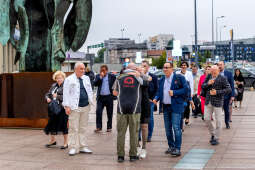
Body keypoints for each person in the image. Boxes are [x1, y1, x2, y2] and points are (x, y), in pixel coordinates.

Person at [153, 62, 188, 157]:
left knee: (176, 128)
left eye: (167, 67)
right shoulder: (162, 79)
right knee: (168, 129)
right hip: (165, 107)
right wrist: (156, 98)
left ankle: (177, 148)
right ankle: (171, 146)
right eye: (164, 67)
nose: (165, 69)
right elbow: (160, 92)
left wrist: (175, 92)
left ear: (172, 68)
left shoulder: (179, 78)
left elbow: (186, 90)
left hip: (176, 106)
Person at [113, 63, 143, 163]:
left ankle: (120, 156)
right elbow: (148, 80)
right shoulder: (138, 77)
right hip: (135, 108)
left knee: (121, 133)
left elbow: (114, 93)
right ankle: (133, 155)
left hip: (121, 109)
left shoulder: (119, 77)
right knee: (134, 133)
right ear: (133, 69)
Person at [63, 62, 94, 156]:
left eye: (84, 69)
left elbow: (89, 90)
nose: (83, 70)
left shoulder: (86, 78)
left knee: (83, 128)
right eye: (81, 69)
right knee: (73, 128)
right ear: (75, 69)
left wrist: (91, 100)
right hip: (74, 107)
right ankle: (72, 147)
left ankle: (82, 146)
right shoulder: (69, 79)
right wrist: (66, 106)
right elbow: (66, 93)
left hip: (85, 106)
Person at [202, 65, 231, 145]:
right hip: (208, 101)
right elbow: (203, 86)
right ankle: (213, 134)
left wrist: (217, 92)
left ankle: (216, 138)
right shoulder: (208, 77)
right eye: (212, 71)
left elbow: (229, 89)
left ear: (218, 71)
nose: (213, 72)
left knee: (218, 121)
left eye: (215, 71)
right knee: (206, 119)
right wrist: (208, 83)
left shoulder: (223, 78)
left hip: (218, 102)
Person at [44, 71, 68, 149]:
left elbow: (67, 96)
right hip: (53, 108)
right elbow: (48, 94)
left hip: (62, 108)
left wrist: (57, 96)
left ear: (63, 78)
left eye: (60, 78)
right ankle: (53, 141)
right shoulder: (53, 85)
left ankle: (66, 143)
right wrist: (47, 98)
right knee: (52, 123)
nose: (59, 79)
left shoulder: (66, 86)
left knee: (63, 124)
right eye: (57, 78)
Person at [94, 65, 116, 133]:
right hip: (100, 97)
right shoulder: (98, 76)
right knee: (98, 112)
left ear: (107, 70)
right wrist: (100, 77)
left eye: (103, 70)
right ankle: (99, 127)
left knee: (109, 113)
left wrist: (114, 93)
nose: (102, 72)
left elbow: (116, 83)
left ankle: (109, 127)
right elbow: (95, 84)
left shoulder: (111, 76)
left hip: (109, 97)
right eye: (101, 70)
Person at [141, 60, 158, 143]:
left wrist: (153, 98)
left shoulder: (153, 77)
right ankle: (139, 136)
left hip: (149, 101)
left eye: (144, 66)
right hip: (140, 100)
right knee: (139, 118)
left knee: (149, 118)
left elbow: (156, 89)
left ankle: (149, 135)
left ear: (148, 67)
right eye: (142, 66)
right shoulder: (139, 76)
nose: (143, 67)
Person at [218, 61, 235, 129]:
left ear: (224, 65)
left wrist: (232, 95)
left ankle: (227, 122)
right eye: (218, 65)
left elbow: (232, 85)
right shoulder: (215, 73)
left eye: (221, 65)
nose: (220, 66)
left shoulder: (229, 74)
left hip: (226, 96)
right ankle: (218, 124)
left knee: (226, 110)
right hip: (217, 96)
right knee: (218, 110)